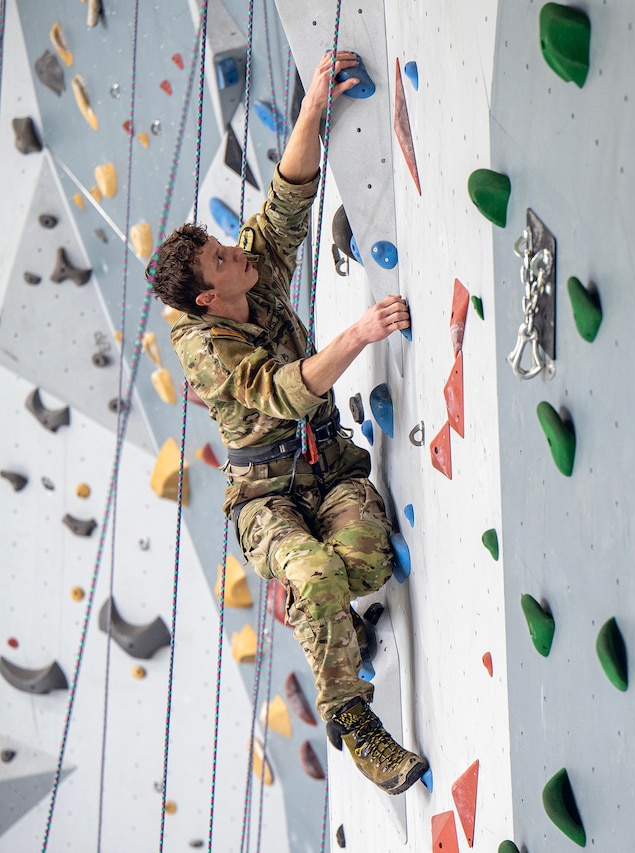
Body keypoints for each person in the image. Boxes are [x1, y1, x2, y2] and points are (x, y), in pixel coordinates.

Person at [150, 50, 425, 795]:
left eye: (219, 245)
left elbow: (285, 203)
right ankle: (360, 730)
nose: (233, 248)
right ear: (208, 297)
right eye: (219, 256)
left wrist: (309, 115)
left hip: (328, 467)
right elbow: (282, 392)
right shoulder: (206, 349)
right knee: (312, 571)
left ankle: (328, 619)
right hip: (266, 501)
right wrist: (358, 336)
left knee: (358, 566)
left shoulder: (249, 279)